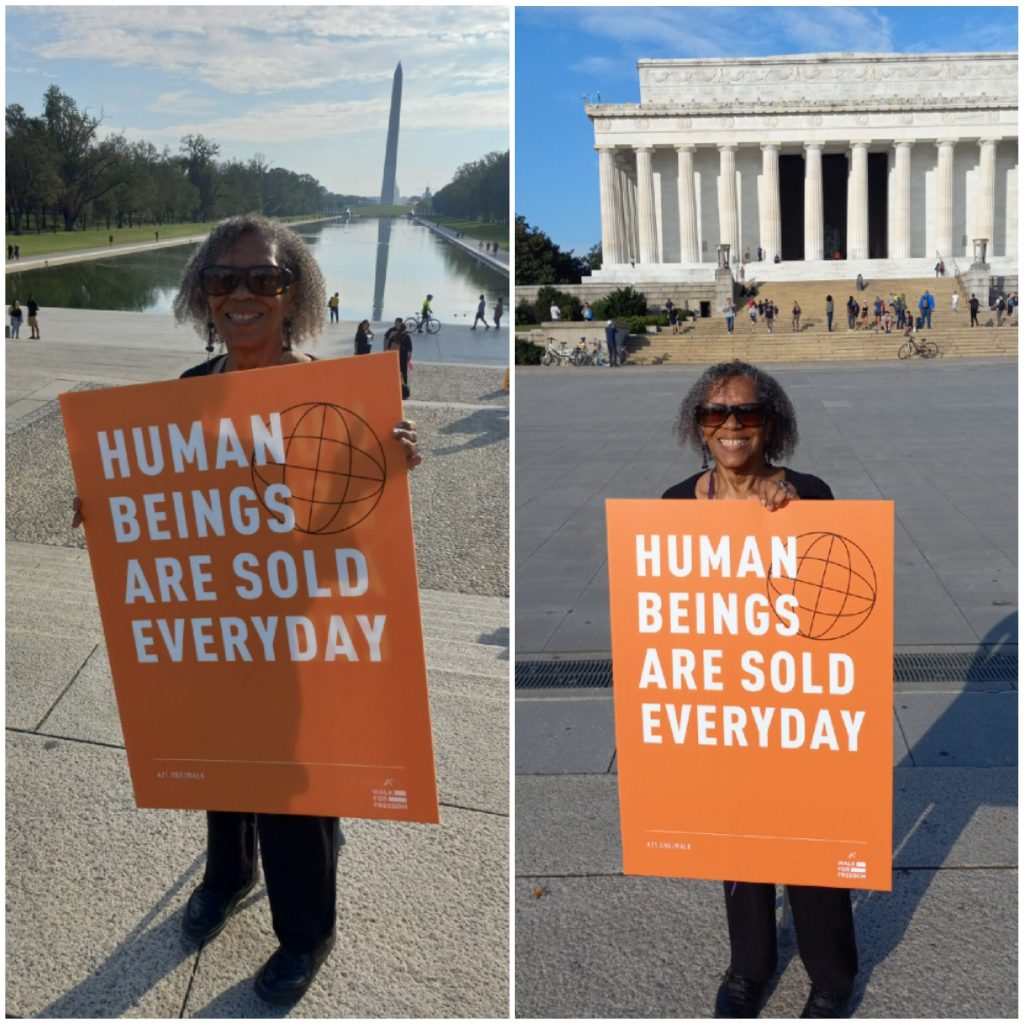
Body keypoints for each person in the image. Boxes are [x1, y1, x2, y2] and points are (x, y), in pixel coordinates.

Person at [73, 213, 420, 1008]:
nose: (242, 294)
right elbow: (160, 505)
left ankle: (307, 931)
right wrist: (104, 502)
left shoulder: (335, 395)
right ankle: (229, 876)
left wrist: (394, 464)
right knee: (222, 758)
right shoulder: (191, 394)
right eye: (223, 279)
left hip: (304, 630)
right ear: (201, 294)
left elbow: (362, 529)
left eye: (262, 278)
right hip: (219, 627)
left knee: (298, 787)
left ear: (291, 292)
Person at [663, 360, 857, 1020]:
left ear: (771, 423)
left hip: (793, 698)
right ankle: (750, 964)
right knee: (736, 838)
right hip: (724, 700)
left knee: (810, 832)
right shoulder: (671, 505)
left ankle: (831, 975)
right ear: (699, 426)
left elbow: (837, 595)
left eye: (747, 413)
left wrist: (790, 506)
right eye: (716, 414)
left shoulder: (810, 493)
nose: (732, 426)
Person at [385, 317, 413, 397]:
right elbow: (409, 349)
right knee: (403, 373)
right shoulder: (406, 336)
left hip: (394, 357)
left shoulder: (394, 335)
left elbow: (389, 344)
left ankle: (393, 388)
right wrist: (409, 358)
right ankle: (403, 390)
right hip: (403, 357)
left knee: (394, 373)